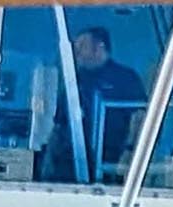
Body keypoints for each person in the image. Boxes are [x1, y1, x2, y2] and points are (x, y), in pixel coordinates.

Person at [50, 27, 147, 181]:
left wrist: (130, 152)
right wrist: (49, 157)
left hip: (111, 161)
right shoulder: (74, 79)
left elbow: (140, 117)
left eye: (82, 46)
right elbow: (60, 122)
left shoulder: (126, 78)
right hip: (71, 161)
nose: (77, 52)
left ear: (99, 47)